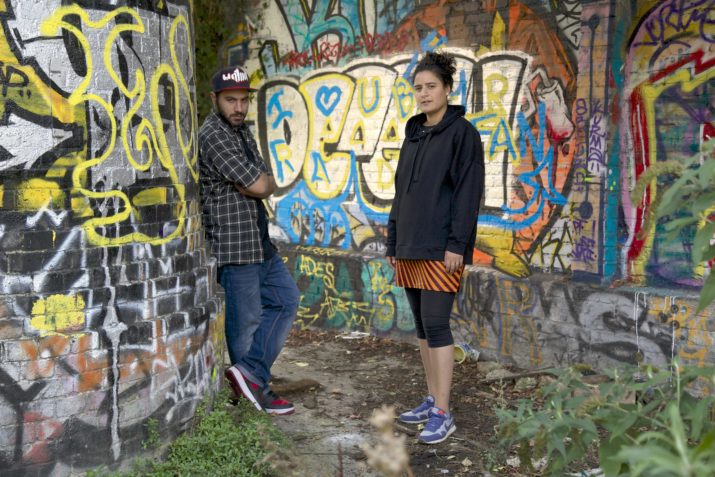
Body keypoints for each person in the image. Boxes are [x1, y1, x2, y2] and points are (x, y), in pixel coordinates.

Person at [386, 52, 484, 444]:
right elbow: (399, 193)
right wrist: (393, 240)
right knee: (423, 326)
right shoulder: (413, 135)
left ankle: (444, 412)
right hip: (409, 244)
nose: (424, 94)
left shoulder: (462, 134)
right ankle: (432, 399)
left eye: (431, 87)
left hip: (442, 248)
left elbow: (467, 193)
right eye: (418, 88)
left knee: (438, 324)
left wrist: (457, 244)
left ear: (447, 89)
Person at [198, 65, 300, 415]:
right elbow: (259, 183)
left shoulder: (242, 132)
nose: (239, 107)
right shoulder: (213, 134)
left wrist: (260, 184)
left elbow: (267, 181)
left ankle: (250, 375)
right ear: (214, 99)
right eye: (231, 100)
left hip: (259, 241)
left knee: (286, 300)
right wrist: (259, 184)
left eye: (243, 100)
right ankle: (252, 397)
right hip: (234, 245)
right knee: (246, 325)